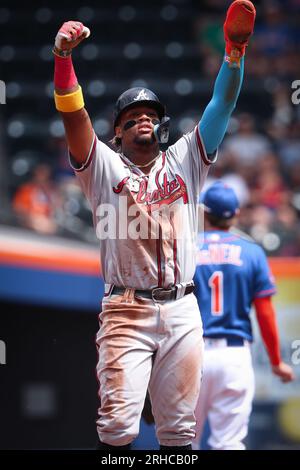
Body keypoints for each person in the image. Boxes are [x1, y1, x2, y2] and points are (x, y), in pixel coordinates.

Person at [53, 1, 256, 450]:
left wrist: (234, 53)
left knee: (180, 432)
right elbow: (74, 116)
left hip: (183, 307)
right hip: (127, 308)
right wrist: (63, 59)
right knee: (119, 428)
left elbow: (223, 101)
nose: (144, 116)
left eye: (150, 113)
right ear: (118, 134)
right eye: (132, 116)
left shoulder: (185, 160)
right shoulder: (102, 167)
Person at [192, 181, 295, 450]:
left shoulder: (185, 249)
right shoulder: (252, 251)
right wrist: (276, 362)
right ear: (236, 214)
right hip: (234, 356)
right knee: (229, 443)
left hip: (189, 355)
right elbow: (265, 313)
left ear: (203, 212)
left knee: (179, 445)